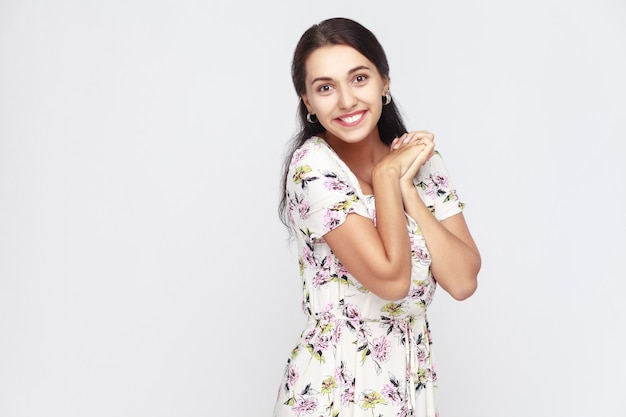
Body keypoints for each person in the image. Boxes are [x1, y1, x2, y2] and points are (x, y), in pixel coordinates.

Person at [273, 17, 481, 417]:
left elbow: (463, 280)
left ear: (384, 82)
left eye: (359, 78)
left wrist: (407, 191)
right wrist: (387, 176)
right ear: (308, 102)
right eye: (325, 88)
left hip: (408, 380)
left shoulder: (421, 163)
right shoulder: (313, 167)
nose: (347, 100)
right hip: (334, 387)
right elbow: (392, 280)